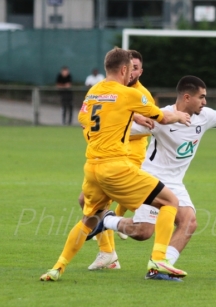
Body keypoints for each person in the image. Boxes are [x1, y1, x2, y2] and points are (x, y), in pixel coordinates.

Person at [87, 75, 216, 274]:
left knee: (188, 222)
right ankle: (106, 221)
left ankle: (161, 267)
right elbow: (120, 130)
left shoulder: (205, 116)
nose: (205, 101)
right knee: (143, 232)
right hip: (152, 179)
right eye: (201, 97)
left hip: (175, 182)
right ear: (186, 97)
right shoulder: (161, 116)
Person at [39, 48, 192, 282]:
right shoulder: (129, 94)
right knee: (170, 201)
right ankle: (159, 260)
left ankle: (57, 267)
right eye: (130, 69)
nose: (131, 73)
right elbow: (162, 118)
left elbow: (83, 119)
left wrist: (130, 117)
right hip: (117, 166)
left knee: (89, 218)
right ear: (123, 69)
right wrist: (180, 116)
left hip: (92, 167)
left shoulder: (93, 92)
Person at [85, 49, 156, 270]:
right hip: (107, 157)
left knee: (93, 205)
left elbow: (152, 128)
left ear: (139, 71)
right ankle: (108, 252)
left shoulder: (141, 94)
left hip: (131, 157)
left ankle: (111, 243)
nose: (131, 72)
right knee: (86, 202)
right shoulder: (107, 92)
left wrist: (115, 130)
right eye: (129, 67)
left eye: (136, 68)